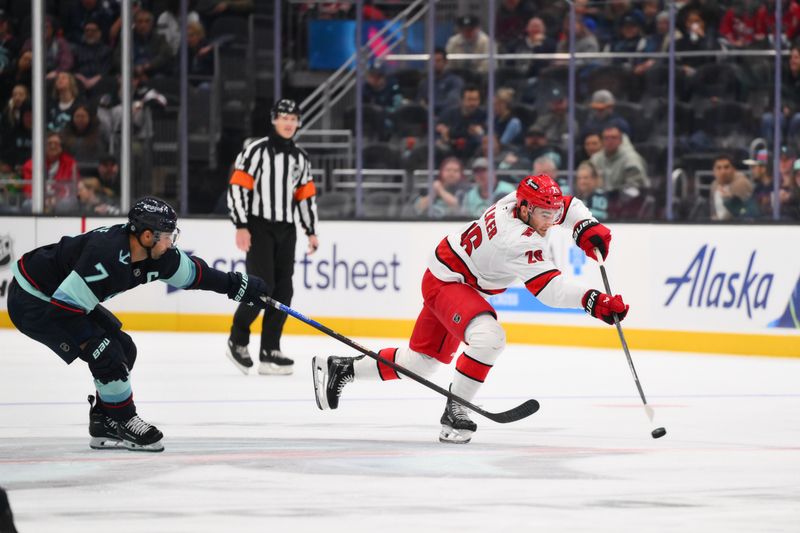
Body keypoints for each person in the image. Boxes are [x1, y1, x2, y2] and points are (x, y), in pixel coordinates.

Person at [311, 174, 627, 444]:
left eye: (553, 213)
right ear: (526, 208)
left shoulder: (516, 203)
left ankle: (342, 368)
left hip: (448, 275)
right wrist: (593, 301)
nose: (552, 220)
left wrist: (585, 225)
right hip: (449, 282)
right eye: (546, 214)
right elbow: (550, 291)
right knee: (490, 337)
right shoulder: (517, 240)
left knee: (421, 363)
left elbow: (568, 205)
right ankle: (455, 408)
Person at [6, 197, 273, 452]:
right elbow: (64, 311)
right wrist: (94, 346)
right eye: (168, 235)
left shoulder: (157, 254)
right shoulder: (106, 256)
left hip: (60, 296)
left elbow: (195, 274)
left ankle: (104, 420)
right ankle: (123, 419)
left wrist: (236, 286)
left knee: (124, 348)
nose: (171, 242)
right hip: (33, 299)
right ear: (147, 236)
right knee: (106, 352)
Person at [226, 99, 319, 376]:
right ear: (273, 119)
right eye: (284, 117)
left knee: (283, 291)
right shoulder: (254, 151)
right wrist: (241, 225)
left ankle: (270, 350)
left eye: (293, 118)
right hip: (258, 226)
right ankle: (238, 339)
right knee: (261, 287)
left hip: (286, 228)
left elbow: (305, 197)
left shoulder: (300, 158)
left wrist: (311, 230)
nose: (289, 123)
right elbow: (238, 188)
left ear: (299, 122)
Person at [709, 153, 757, 221]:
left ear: (733, 169)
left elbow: (749, 214)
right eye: (719, 168)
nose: (723, 172)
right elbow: (713, 212)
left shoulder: (741, 184)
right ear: (714, 171)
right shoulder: (714, 185)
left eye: (726, 167)